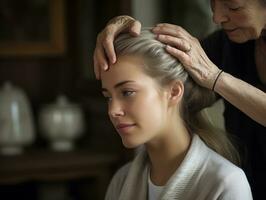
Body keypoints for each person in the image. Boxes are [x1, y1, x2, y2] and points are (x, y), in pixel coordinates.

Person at [93, 1, 266, 198]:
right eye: (212, 3)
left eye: (233, 7)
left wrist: (215, 77)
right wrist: (124, 31)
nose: (216, 18)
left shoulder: (224, 181)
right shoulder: (121, 182)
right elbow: (168, 66)